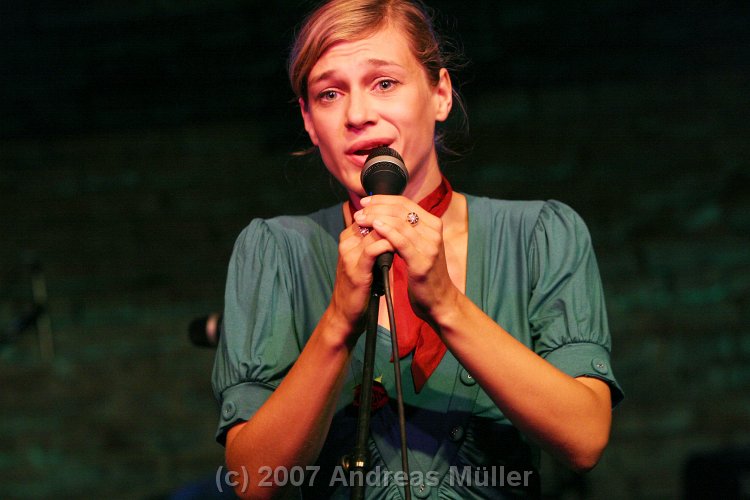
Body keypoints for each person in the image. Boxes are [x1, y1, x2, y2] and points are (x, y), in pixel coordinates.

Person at [211, 0, 623, 498]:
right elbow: (253, 481)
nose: (358, 115)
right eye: (329, 93)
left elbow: (584, 439)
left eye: (384, 83)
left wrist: (447, 304)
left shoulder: (539, 235)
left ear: (440, 94)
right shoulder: (276, 253)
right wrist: (337, 324)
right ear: (308, 119)